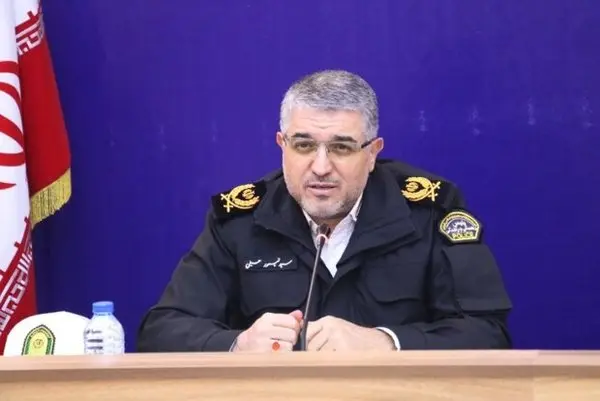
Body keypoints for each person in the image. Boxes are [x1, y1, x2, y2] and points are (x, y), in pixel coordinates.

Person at [136, 70, 512, 352]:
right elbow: (161, 330)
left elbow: (488, 333)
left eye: (341, 148)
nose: (320, 167)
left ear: (372, 153)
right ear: (281, 145)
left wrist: (386, 342)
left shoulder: (430, 212)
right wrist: (237, 345)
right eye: (303, 146)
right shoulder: (239, 221)